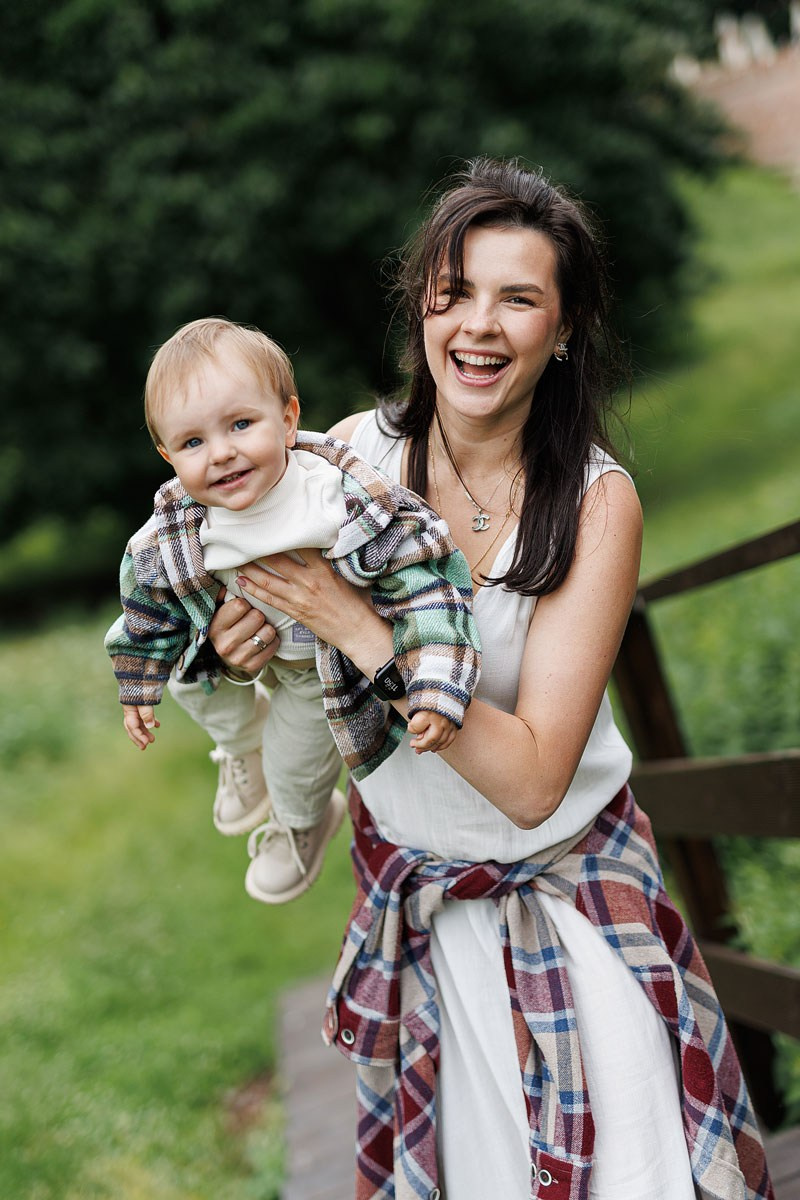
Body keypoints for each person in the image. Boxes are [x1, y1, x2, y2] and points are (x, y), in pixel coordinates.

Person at [186, 160, 773, 1198]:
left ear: (567, 328)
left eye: (518, 298)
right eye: (453, 292)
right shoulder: (344, 463)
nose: (477, 326)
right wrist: (246, 632)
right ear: (421, 306)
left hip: (572, 917)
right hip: (425, 929)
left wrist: (357, 628)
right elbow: (230, 577)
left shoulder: (594, 504)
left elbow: (535, 781)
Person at [105, 318, 481, 906]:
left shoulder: (333, 497)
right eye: (193, 442)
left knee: (295, 766)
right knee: (185, 674)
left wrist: (434, 684)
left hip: (317, 672)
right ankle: (240, 749)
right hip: (245, 648)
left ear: (288, 418)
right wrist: (138, 686)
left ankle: (303, 823)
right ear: (167, 455)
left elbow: (425, 585)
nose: (222, 453)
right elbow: (145, 609)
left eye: (240, 424)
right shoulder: (178, 528)